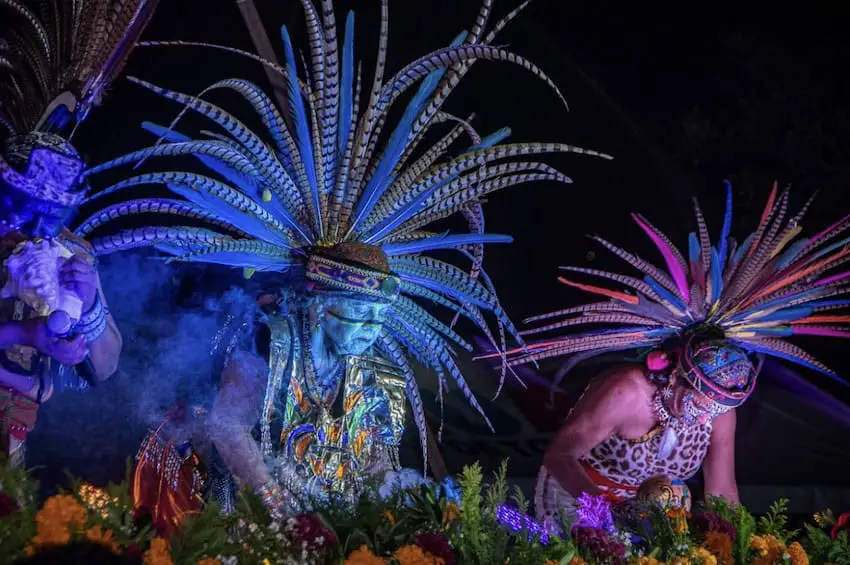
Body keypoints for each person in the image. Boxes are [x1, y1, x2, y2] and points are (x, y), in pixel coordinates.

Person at [76, 0, 611, 533]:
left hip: (327, 518)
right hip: (239, 505)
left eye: (379, 317)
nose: (373, 329)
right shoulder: (272, 342)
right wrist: (277, 506)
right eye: (360, 313)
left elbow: (374, 461)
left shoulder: (376, 372)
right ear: (319, 303)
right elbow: (228, 427)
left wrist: (389, 507)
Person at [494, 183, 850, 527]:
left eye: (719, 406)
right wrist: (605, 519)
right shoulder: (626, 391)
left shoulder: (720, 410)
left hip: (659, 514)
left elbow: (722, 490)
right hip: (582, 500)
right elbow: (560, 456)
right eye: (704, 400)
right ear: (679, 376)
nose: (709, 413)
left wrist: (737, 542)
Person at [0, 0, 160, 467]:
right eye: (28, 209)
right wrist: (26, 330)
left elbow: (105, 365)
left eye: (52, 214)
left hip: (16, 434)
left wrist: (87, 304)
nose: (39, 226)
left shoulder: (71, 252)